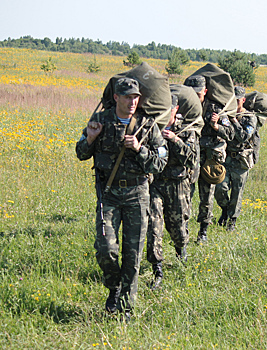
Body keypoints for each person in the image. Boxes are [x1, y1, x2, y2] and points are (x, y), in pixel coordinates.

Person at [76, 77, 168, 319]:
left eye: (136, 97)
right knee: (105, 249)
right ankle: (114, 287)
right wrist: (91, 138)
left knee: (133, 254)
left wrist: (139, 148)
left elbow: (160, 163)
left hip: (137, 195)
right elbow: (80, 153)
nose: (132, 101)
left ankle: (127, 308)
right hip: (108, 195)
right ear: (116, 97)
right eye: (127, 97)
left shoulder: (148, 126)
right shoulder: (101, 121)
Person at [147, 93, 200, 290]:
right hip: (157, 183)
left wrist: (176, 140)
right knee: (154, 226)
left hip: (178, 184)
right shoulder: (153, 128)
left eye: (168, 110)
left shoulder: (186, 130)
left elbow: (192, 159)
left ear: (175, 109)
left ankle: (181, 253)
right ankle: (157, 270)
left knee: (178, 227)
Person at [186, 75, 235, 243]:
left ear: (205, 92)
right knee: (185, 195)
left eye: (198, 95)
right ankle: (182, 231)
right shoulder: (184, 108)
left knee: (207, 197)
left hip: (209, 161)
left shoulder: (215, 109)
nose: (195, 98)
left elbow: (230, 133)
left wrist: (216, 126)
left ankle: (203, 232)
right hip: (189, 159)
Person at [215, 86, 258, 231]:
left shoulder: (250, 118)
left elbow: (244, 137)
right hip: (226, 158)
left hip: (241, 160)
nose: (234, 103)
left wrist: (233, 120)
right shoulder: (226, 116)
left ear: (243, 100)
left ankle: (232, 220)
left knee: (237, 192)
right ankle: (225, 210)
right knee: (220, 188)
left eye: (237, 100)